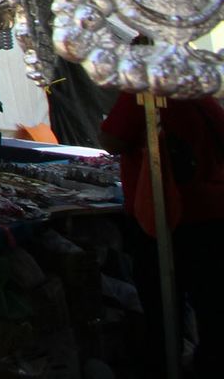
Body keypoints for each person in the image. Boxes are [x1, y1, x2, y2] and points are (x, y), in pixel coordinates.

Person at [100, 92, 224, 376]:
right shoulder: (200, 94)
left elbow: (111, 140)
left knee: (163, 312)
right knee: (212, 310)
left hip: (170, 216)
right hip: (210, 215)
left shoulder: (144, 91)